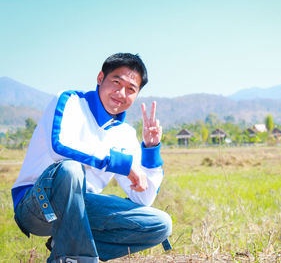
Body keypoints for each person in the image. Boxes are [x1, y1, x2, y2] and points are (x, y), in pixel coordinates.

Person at [11, 53, 172, 263]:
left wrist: (151, 150)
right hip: (38, 203)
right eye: (116, 82)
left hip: (82, 208)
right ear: (100, 78)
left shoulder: (125, 134)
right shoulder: (71, 102)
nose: (121, 93)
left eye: (131, 89)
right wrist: (122, 164)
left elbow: (143, 197)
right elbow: (59, 147)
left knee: (160, 223)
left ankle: (65, 246)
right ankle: (77, 257)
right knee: (70, 169)